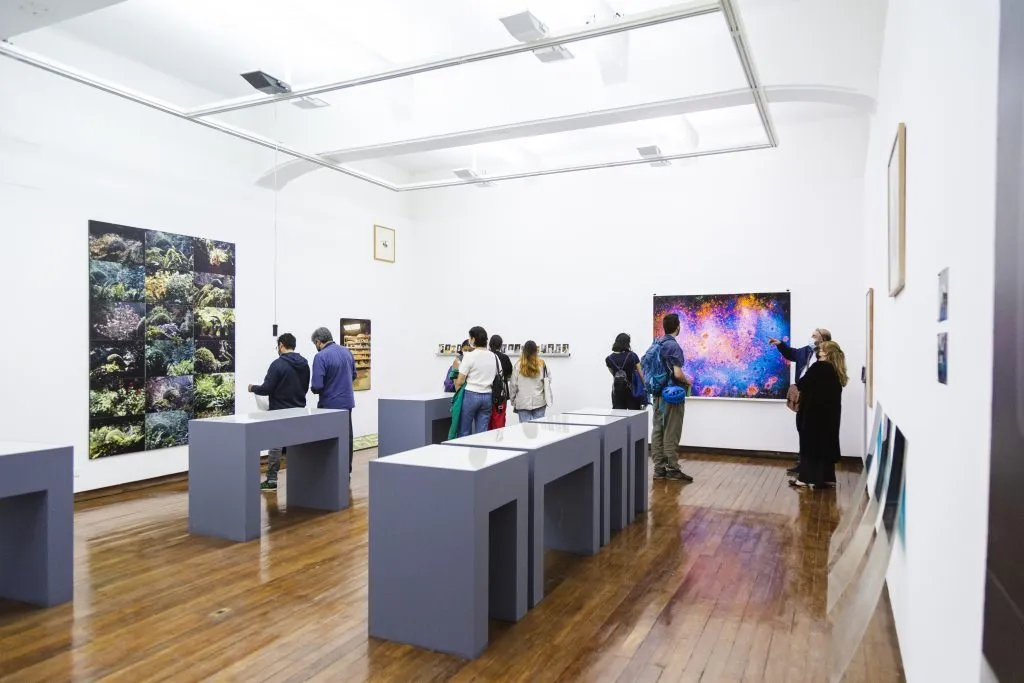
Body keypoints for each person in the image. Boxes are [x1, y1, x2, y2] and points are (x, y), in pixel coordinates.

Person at [248, 333, 310, 491]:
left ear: (281, 345)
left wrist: (253, 388)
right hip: (298, 409)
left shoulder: (277, 364)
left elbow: (267, 388)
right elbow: (304, 387)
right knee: (297, 446)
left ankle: (271, 480)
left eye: (278, 346)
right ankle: (302, 479)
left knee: (275, 446)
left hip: (279, 411)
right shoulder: (304, 364)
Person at [769, 328, 832, 474]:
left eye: (815, 336)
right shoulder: (806, 351)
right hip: (803, 396)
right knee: (802, 428)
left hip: (817, 399)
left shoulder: (827, 355)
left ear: (823, 339)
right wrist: (780, 345)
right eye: (812, 335)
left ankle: (816, 467)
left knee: (814, 432)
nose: (811, 338)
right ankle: (803, 464)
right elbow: (792, 353)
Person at [790, 340, 848, 489]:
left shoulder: (818, 367)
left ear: (825, 353)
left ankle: (805, 479)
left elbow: (802, 383)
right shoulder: (835, 369)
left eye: (820, 349)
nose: (817, 350)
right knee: (825, 445)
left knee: (810, 446)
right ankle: (827, 478)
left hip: (814, 414)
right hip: (830, 416)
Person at [647, 313, 694, 482]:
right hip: (672, 395)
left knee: (658, 430)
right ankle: (672, 468)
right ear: (678, 327)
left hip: (657, 394)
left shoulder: (656, 343)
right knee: (671, 430)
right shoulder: (674, 346)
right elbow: (677, 373)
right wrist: (687, 381)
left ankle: (659, 469)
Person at [310, 326, 356, 473]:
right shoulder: (347, 352)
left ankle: (330, 472)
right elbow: (354, 375)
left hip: (329, 404)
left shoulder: (320, 356)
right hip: (347, 403)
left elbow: (317, 385)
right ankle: (346, 470)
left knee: (329, 440)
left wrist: (314, 390)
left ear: (318, 342)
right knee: (347, 437)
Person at [454, 326, 498, 437]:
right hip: (488, 396)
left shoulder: (469, 356)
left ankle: (464, 448)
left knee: (464, 430)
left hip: (471, 395)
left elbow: (460, 380)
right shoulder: (494, 356)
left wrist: (458, 393)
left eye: (470, 338)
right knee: (482, 433)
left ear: (473, 339)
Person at [510, 340, 552, 422]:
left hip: (522, 402)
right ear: (536, 351)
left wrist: (513, 400)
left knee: (525, 428)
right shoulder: (542, 364)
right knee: (539, 427)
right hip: (539, 401)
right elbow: (548, 380)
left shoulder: (518, 365)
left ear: (524, 351)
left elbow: (513, 385)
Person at [606, 332, 645, 410]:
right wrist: (645, 388)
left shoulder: (609, 359)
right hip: (632, 391)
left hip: (617, 391)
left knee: (618, 415)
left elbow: (613, 374)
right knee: (634, 414)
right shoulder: (633, 356)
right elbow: (641, 375)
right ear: (627, 343)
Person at [488, 335, 514, 429]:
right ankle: (498, 438)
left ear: (490, 344)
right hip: (500, 393)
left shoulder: (486, 356)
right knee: (499, 419)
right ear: (501, 345)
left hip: (486, 391)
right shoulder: (504, 358)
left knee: (486, 420)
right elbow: (510, 375)